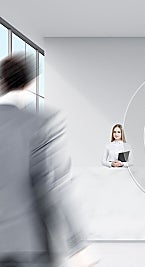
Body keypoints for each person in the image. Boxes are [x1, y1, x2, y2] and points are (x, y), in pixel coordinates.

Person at [0, 54, 94, 265]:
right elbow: (54, 186)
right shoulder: (41, 123)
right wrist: (76, 244)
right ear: (31, 83)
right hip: (30, 245)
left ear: (2, 82)